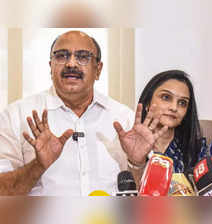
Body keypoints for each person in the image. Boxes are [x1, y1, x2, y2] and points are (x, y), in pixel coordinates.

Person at [0, 30, 162, 196]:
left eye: (83, 57)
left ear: (98, 69)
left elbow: (149, 195)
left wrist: (137, 163)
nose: (71, 64)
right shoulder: (16, 115)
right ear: (51, 66)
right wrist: (38, 166)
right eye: (61, 56)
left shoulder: (124, 118)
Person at [114, 70, 204, 183]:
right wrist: (136, 163)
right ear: (147, 103)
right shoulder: (128, 144)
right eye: (166, 97)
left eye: (182, 103)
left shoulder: (198, 148)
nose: (174, 107)